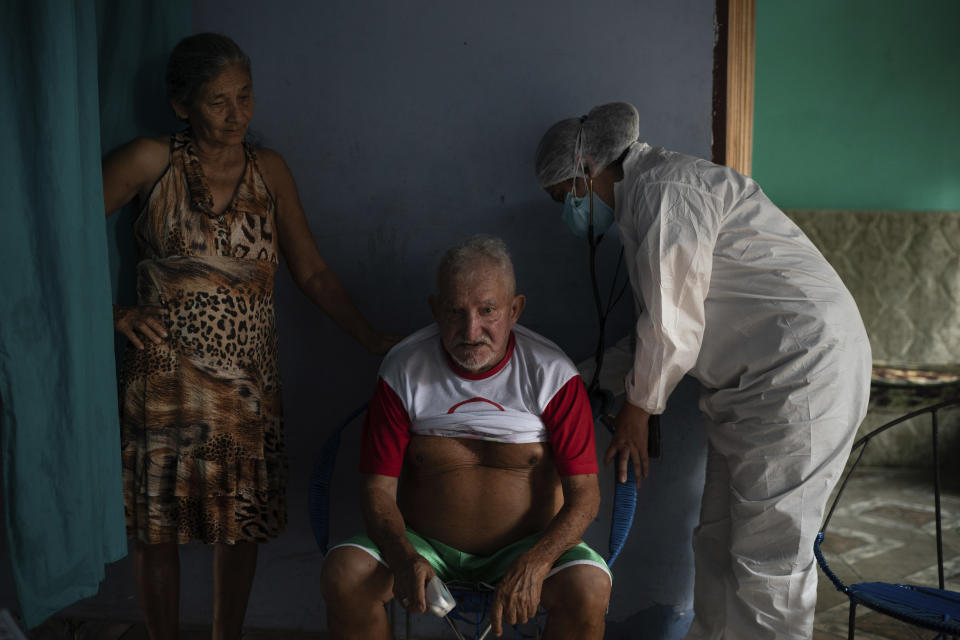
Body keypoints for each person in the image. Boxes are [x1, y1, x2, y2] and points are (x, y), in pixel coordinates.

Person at [534, 102, 872, 640]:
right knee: (716, 545)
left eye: (563, 197)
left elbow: (672, 328)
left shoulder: (666, 192)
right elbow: (654, 327)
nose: (567, 213)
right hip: (756, 389)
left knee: (771, 566)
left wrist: (637, 413)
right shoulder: (648, 202)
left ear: (588, 171)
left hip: (800, 376)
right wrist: (567, 378)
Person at [102, 33, 396, 640]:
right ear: (182, 105)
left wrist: (372, 339)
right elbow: (59, 232)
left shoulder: (271, 171)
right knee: (157, 523)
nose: (237, 115)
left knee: (239, 522)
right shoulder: (148, 160)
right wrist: (113, 314)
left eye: (245, 96)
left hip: (247, 382)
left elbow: (311, 272)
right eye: (217, 101)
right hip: (163, 378)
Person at [319, 235, 611, 640]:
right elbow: (376, 490)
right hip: (424, 549)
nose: (471, 331)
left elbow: (586, 496)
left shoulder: (554, 375)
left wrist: (536, 562)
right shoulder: (403, 369)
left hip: (529, 548)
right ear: (435, 309)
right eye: (456, 312)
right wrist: (404, 557)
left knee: (589, 588)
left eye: (487, 311)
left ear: (515, 310)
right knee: (345, 573)